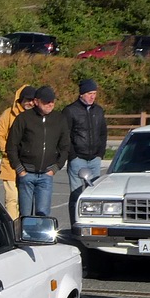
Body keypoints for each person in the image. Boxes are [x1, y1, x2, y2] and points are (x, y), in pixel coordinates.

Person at [6, 85, 70, 217]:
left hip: (47, 174)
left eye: (52, 101)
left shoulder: (59, 119)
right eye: (46, 101)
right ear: (36, 101)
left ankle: (39, 237)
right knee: (25, 215)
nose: (50, 104)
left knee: (43, 214)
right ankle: (25, 236)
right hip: (26, 174)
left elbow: (65, 146)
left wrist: (55, 168)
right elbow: (12, 145)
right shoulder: (23, 119)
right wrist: (20, 169)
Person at [62, 78, 108, 225]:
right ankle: (75, 224)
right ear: (81, 94)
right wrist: (73, 156)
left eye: (94, 93)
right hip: (78, 159)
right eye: (89, 93)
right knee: (76, 194)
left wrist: (100, 154)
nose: (92, 96)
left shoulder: (98, 111)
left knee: (93, 195)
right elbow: (65, 135)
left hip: (94, 159)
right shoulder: (70, 111)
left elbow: (103, 133)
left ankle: (92, 224)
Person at [0, 85, 36, 220]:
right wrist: (9, 151)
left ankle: (27, 226)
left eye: (32, 100)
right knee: (12, 199)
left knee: (28, 200)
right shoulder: (8, 114)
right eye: (27, 100)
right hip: (10, 164)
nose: (30, 103)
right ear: (20, 100)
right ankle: (13, 227)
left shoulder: (37, 116)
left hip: (30, 164)